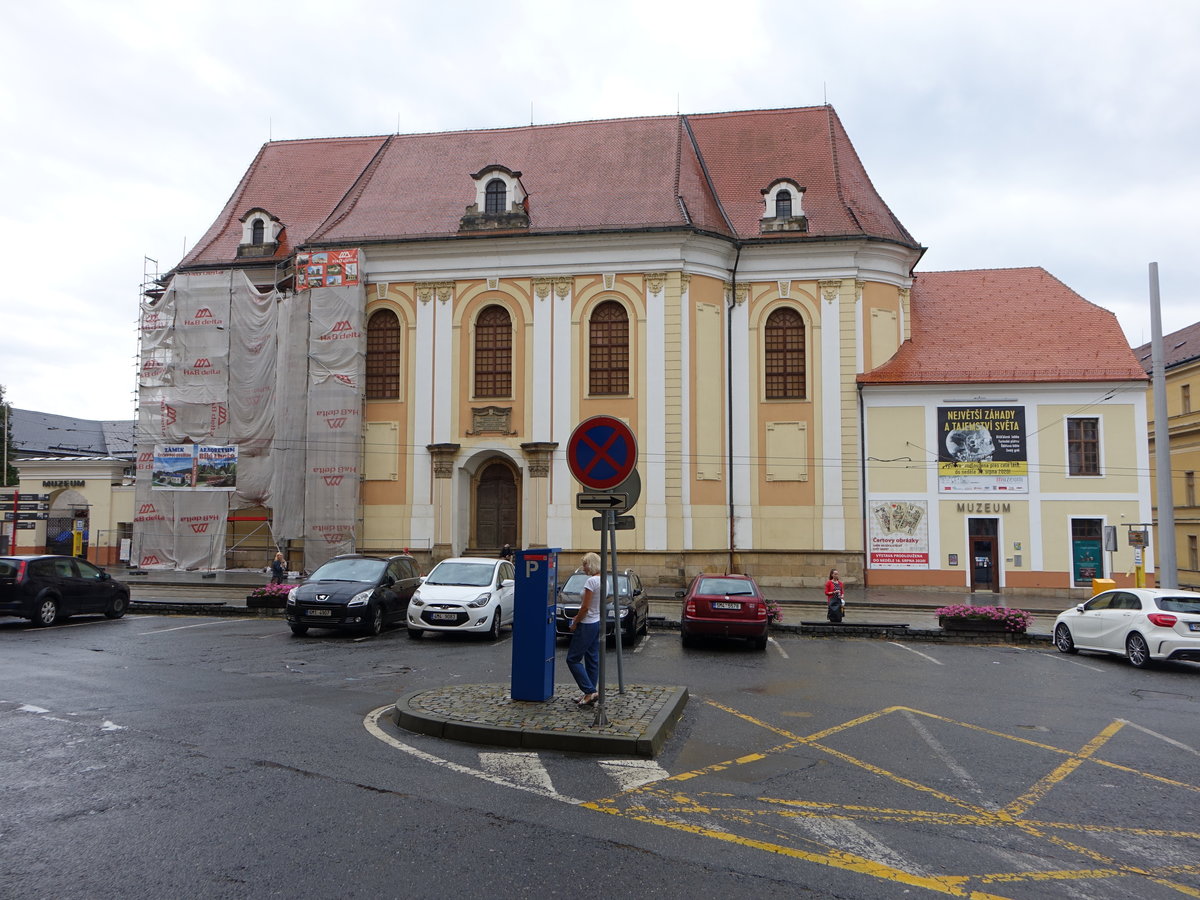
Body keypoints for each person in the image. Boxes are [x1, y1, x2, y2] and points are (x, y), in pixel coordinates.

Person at [566, 552, 601, 707]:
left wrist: (575, 621)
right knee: (592, 659)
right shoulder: (603, 580)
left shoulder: (591, 582)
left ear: (591, 564)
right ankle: (590, 692)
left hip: (586, 623)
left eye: (585, 564)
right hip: (596, 622)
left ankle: (589, 691)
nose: (583, 567)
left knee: (572, 659)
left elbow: (585, 607)